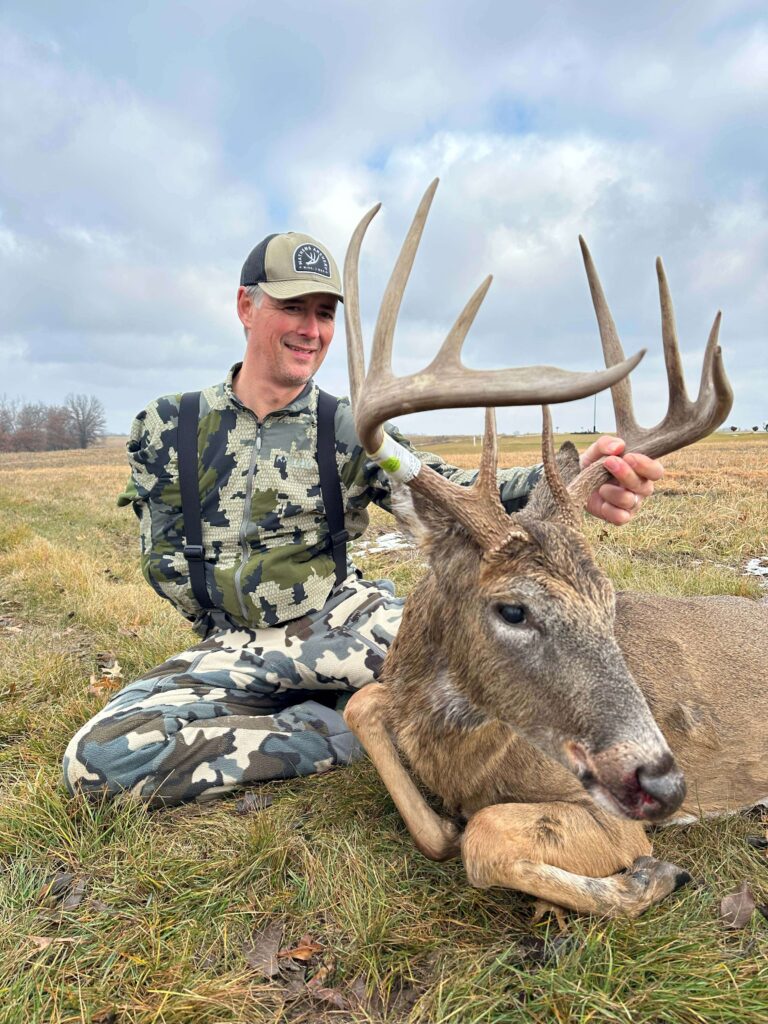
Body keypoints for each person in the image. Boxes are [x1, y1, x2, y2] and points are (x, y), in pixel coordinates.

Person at [62, 230, 662, 806]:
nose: (312, 329)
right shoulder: (170, 425)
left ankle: (613, 748)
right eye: (294, 307)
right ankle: (356, 731)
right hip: (233, 645)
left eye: (324, 313)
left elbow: (449, 493)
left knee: (514, 657)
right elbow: (161, 550)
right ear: (246, 306)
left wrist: (568, 483)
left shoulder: (349, 426)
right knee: (100, 760)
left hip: (345, 622)